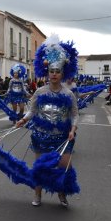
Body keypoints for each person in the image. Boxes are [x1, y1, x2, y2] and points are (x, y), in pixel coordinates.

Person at [16, 35, 79, 208]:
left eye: (57, 71)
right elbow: (32, 110)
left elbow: (75, 114)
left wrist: (73, 129)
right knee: (40, 167)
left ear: (62, 73)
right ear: (47, 72)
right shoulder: (40, 92)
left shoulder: (68, 94)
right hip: (41, 137)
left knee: (64, 168)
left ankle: (62, 194)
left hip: (63, 138)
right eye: (51, 71)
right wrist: (23, 119)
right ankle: (38, 194)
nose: (54, 74)